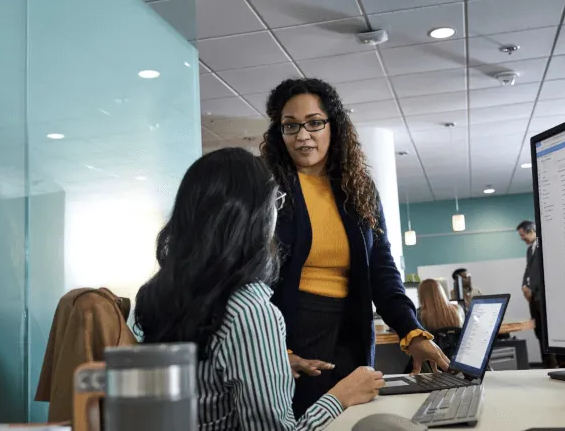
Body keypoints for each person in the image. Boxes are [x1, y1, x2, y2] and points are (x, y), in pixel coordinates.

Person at [133, 148, 384, 431]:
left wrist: (269, 367)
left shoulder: (164, 297)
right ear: (255, 217)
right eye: (276, 201)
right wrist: (341, 396)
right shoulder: (250, 312)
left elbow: (206, 388)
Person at [260, 78, 449, 417]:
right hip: (287, 335)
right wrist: (273, 350)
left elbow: (382, 270)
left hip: (350, 330)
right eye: (291, 126)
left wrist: (411, 331)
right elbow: (250, 278)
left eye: (315, 123)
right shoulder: (267, 189)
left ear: (334, 125)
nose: (303, 136)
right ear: (279, 132)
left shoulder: (358, 189)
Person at [517, 220, 565, 369]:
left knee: (551, 332)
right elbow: (528, 270)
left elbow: (548, 270)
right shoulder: (529, 250)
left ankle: (562, 365)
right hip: (533, 298)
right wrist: (524, 286)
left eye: (523, 235)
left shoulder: (544, 245)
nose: (521, 238)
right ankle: (549, 366)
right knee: (539, 332)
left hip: (545, 297)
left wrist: (534, 288)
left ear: (532, 231)